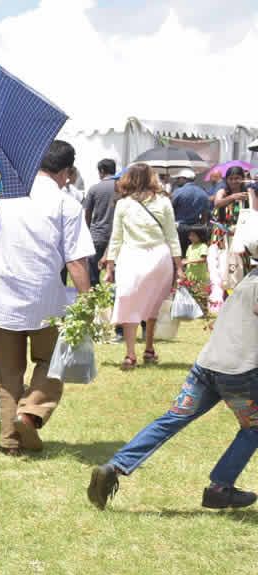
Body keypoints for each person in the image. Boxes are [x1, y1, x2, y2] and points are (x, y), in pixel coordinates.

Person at [88, 243, 258, 512]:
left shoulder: (250, 279)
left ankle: (114, 466)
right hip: (237, 373)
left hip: (205, 367)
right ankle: (220, 488)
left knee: (171, 419)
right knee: (254, 427)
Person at [0, 140, 94, 456]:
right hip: (46, 301)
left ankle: (11, 441)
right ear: (66, 173)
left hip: (2, 297)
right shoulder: (68, 205)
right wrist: (88, 298)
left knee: (8, 374)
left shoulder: (2, 195)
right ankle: (31, 413)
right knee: (52, 363)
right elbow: (76, 261)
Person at [105, 163, 180, 371]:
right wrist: (179, 266)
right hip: (159, 257)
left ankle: (130, 354)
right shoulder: (164, 202)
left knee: (129, 303)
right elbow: (172, 236)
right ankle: (149, 348)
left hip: (131, 258)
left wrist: (110, 266)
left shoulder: (123, 204)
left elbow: (116, 238)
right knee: (153, 305)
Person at [211, 166, 254, 293]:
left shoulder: (249, 192)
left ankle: (241, 290)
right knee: (222, 263)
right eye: (231, 178)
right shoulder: (223, 191)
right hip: (223, 234)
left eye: (237, 178)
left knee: (240, 264)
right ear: (226, 179)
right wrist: (233, 197)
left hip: (241, 234)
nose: (234, 181)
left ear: (243, 179)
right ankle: (222, 293)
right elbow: (217, 203)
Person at [83, 159, 118, 286]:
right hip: (117, 236)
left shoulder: (94, 189)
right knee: (116, 271)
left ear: (102, 171)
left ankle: (94, 296)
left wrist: (86, 231)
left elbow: (87, 213)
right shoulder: (121, 188)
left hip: (98, 234)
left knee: (93, 271)